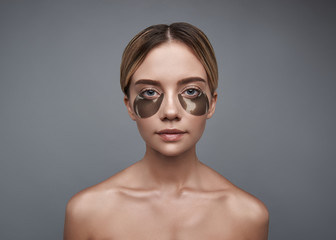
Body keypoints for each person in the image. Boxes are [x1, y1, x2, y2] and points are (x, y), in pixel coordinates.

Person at [63, 22, 269, 240]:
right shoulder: (86, 213)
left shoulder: (248, 216)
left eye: (191, 91)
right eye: (150, 92)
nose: (170, 111)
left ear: (212, 103)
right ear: (129, 106)